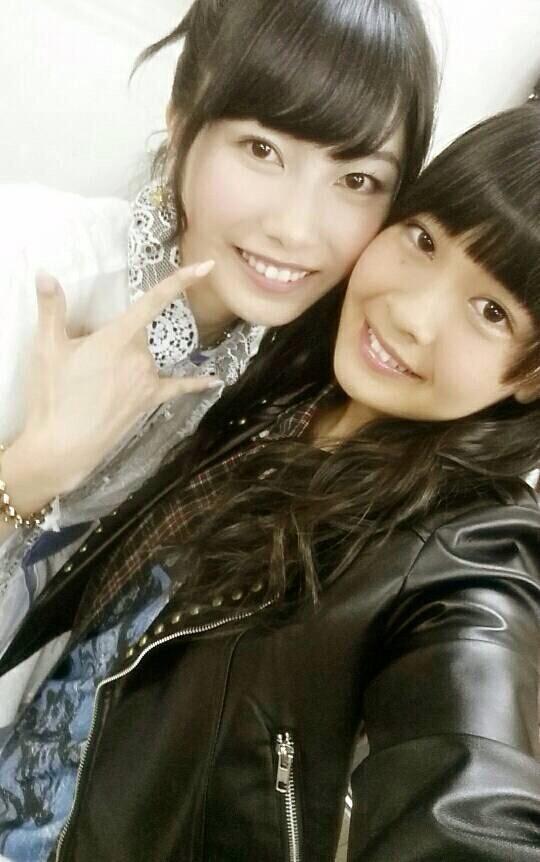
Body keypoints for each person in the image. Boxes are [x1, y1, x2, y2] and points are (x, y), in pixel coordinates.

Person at [1, 102, 539, 862]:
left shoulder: (468, 549)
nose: (412, 315)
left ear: (532, 376)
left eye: (491, 312)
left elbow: (474, 801)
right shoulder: (287, 379)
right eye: (423, 240)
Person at [0, 0, 436, 720]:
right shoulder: (26, 265)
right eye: (262, 149)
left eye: (357, 179)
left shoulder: (281, 367)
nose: (296, 228)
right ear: (181, 119)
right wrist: (31, 472)